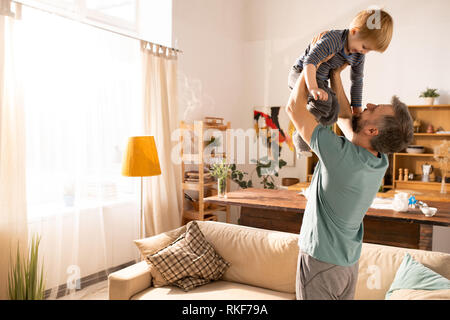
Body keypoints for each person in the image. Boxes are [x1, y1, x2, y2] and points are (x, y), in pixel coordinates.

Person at [285, 52, 414, 300]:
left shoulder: (341, 157)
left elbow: (293, 108)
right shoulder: (378, 160)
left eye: (375, 109)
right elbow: (346, 119)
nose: (370, 104)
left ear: (372, 129)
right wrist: (335, 74)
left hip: (321, 262)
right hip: (346, 265)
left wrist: (311, 65)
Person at [288, 8, 394, 156]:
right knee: (323, 103)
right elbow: (310, 61)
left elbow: (357, 80)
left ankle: (310, 131)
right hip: (302, 72)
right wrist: (313, 88)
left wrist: (356, 107)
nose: (364, 52)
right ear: (354, 31)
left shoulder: (358, 56)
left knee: (333, 109)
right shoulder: (334, 39)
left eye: (369, 50)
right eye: (364, 47)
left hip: (321, 81)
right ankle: (300, 139)